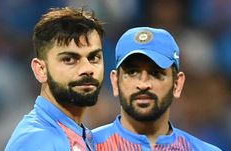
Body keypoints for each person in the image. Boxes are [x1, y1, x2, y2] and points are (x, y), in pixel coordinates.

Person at [92, 27, 222, 150]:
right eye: (132, 72)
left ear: (177, 84)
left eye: (155, 73)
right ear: (115, 82)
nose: (143, 84)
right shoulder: (85, 146)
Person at [5, 7, 104, 151]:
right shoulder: (37, 142)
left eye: (94, 58)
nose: (87, 69)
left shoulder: (71, 133)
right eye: (69, 59)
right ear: (41, 70)